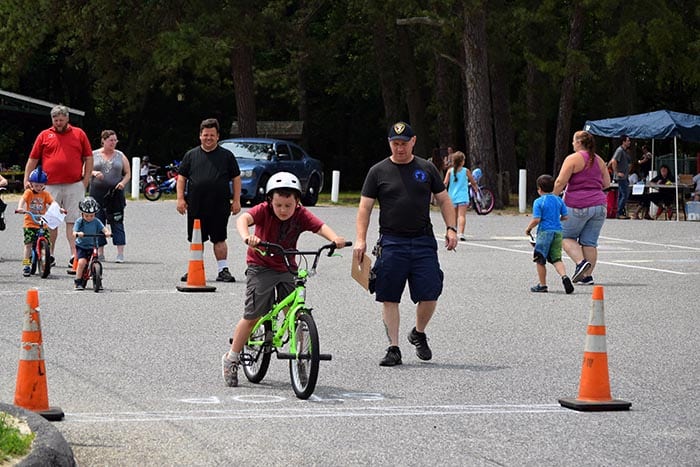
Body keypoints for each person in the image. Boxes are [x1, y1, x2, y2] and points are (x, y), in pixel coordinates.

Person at [221, 172, 346, 387]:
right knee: (252, 315)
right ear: (270, 200)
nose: (283, 210)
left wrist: (335, 238)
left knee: (294, 314)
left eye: (288, 205)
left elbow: (320, 227)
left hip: (287, 265)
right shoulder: (263, 210)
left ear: (297, 202)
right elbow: (243, 219)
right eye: (278, 205)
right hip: (260, 266)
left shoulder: (301, 214)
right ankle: (231, 358)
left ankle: (301, 361)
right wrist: (247, 237)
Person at [353, 121, 458, 367]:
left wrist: (451, 228)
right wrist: (360, 239)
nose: (399, 148)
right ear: (390, 143)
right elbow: (365, 207)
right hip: (391, 242)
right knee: (389, 296)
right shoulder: (378, 171)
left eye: (404, 143)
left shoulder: (426, 168)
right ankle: (393, 348)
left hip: (422, 241)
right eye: (395, 143)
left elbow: (443, 200)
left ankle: (418, 333)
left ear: (413, 141)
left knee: (430, 293)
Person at [24, 105, 93, 266]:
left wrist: (86, 180)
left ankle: (74, 255)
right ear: (52, 120)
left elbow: (88, 157)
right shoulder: (44, 135)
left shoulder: (79, 134)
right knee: (51, 221)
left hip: (74, 184)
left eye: (61, 119)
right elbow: (33, 159)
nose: (59, 122)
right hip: (49, 186)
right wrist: (27, 179)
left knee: (73, 220)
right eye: (56, 120)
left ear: (67, 119)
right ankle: (49, 254)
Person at [176, 118, 241, 282]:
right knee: (196, 239)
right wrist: (180, 199)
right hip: (196, 205)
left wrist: (237, 200)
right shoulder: (191, 155)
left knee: (219, 238)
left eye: (212, 135)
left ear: (218, 136)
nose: (208, 138)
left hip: (220, 205)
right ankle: (195, 269)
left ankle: (223, 270)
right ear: (200, 136)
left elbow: (236, 178)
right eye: (205, 135)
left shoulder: (227, 156)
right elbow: (182, 178)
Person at [553, 130, 611, 286]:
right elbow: (607, 183)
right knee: (589, 242)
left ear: (578, 142)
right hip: (599, 206)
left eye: (573, 141)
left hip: (578, 204)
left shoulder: (573, 159)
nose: (572, 144)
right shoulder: (599, 160)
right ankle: (587, 276)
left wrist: (551, 198)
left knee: (564, 236)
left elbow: (560, 182)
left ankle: (580, 263)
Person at [525, 174, 573, 294]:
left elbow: (537, 219)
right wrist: (556, 220)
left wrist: (528, 229)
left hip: (544, 232)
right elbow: (565, 216)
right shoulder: (558, 200)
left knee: (540, 259)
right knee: (556, 258)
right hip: (557, 232)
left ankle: (543, 285)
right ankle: (565, 277)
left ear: (539, 189)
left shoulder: (538, 202)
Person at [89, 130, 131, 263]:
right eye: (110, 140)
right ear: (103, 141)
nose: (113, 143)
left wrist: (122, 183)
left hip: (115, 194)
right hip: (97, 193)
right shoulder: (94, 154)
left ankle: (120, 253)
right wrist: (94, 173)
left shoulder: (120, 155)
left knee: (117, 222)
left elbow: (128, 173)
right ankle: (100, 252)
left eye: (115, 140)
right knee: (98, 221)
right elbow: (84, 170)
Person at [17, 169, 59, 276]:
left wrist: (59, 209)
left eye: (41, 185)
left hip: (42, 223)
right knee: (28, 244)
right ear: (31, 184)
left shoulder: (45, 194)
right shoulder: (28, 192)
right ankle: (26, 265)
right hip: (30, 223)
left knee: (46, 242)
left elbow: (53, 202)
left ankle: (45, 262)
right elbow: (23, 199)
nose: (39, 188)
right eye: (36, 185)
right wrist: (20, 207)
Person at [72, 196, 111, 290]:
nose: (89, 218)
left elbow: (103, 228)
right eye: (86, 215)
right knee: (82, 262)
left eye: (92, 215)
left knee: (96, 262)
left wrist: (107, 232)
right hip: (82, 246)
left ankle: (98, 280)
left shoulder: (96, 221)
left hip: (93, 245)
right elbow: (74, 233)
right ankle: (78, 281)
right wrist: (78, 233)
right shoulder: (79, 221)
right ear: (82, 214)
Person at [443, 151, 478, 241]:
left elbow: (445, 183)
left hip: (452, 197)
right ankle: (461, 233)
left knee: (453, 215)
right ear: (462, 161)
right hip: (462, 197)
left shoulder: (450, 171)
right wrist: (475, 188)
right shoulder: (466, 171)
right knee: (461, 216)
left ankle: (452, 231)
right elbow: (473, 181)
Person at [608, 135, 632, 219]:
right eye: (628, 141)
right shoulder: (620, 150)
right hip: (621, 177)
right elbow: (613, 161)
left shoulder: (625, 151)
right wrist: (617, 172)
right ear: (623, 142)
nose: (629, 142)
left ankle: (619, 211)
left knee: (622, 194)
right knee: (624, 194)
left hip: (625, 176)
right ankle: (619, 212)